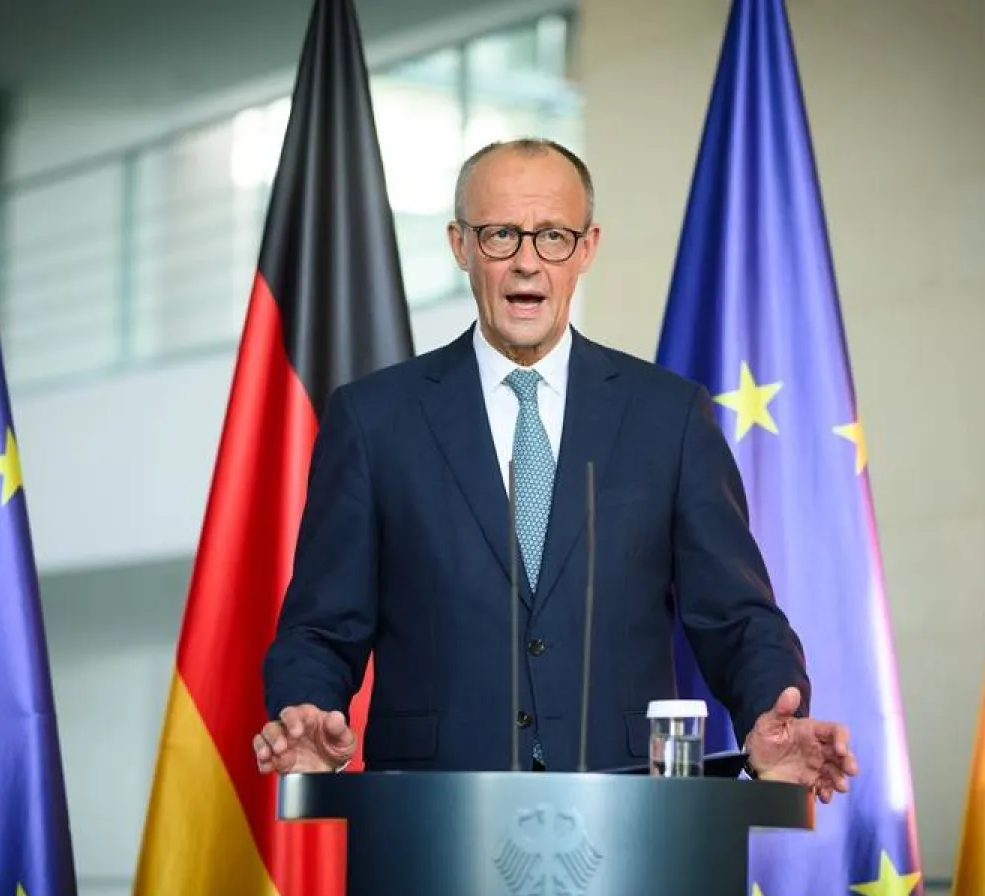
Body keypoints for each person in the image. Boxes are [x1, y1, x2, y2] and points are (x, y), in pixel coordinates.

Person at [253, 138, 857, 800]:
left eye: (552, 237)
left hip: (629, 809)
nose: (526, 263)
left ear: (587, 248)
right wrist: (305, 707)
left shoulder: (668, 416)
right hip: (430, 811)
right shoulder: (374, 420)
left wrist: (774, 709)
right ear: (460, 245)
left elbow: (737, 616)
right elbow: (320, 625)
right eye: (500, 235)